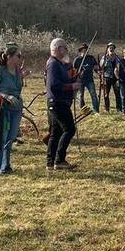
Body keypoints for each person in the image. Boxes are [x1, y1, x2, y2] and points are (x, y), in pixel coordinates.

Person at [0, 45, 24, 176]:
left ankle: (5, 166)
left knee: (10, 137)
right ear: (9, 57)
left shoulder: (18, 71)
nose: (20, 58)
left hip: (16, 108)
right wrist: (6, 96)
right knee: (0, 138)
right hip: (2, 108)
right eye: (18, 56)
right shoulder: (0, 71)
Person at [46, 38, 81, 170]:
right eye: (65, 48)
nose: (66, 50)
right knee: (69, 129)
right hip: (57, 102)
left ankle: (50, 163)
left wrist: (73, 79)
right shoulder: (53, 64)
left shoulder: (59, 64)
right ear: (59, 48)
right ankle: (59, 160)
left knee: (56, 133)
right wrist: (72, 86)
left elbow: (62, 81)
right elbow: (54, 85)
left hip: (59, 102)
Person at [72, 43, 100, 112]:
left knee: (93, 94)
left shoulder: (91, 58)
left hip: (90, 80)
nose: (85, 51)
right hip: (80, 80)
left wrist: (99, 72)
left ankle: (96, 110)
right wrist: (77, 75)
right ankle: (84, 111)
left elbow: (96, 67)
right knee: (80, 96)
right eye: (84, 49)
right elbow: (74, 71)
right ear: (81, 50)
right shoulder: (77, 60)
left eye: (86, 49)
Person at [100, 43, 122, 111]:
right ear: (107, 49)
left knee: (117, 93)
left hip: (116, 78)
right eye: (110, 48)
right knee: (106, 94)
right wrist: (104, 60)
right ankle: (107, 108)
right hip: (107, 77)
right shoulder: (104, 57)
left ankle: (119, 108)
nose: (111, 49)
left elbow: (120, 65)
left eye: (112, 48)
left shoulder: (117, 57)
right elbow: (101, 66)